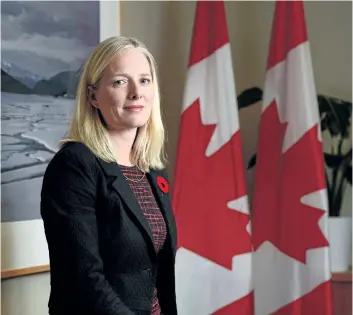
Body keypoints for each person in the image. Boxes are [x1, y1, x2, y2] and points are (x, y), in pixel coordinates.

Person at [40, 36, 178, 315]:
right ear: (93, 96)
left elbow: (157, 276)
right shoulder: (74, 166)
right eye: (120, 82)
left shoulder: (151, 170)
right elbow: (84, 280)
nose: (136, 92)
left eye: (144, 80)